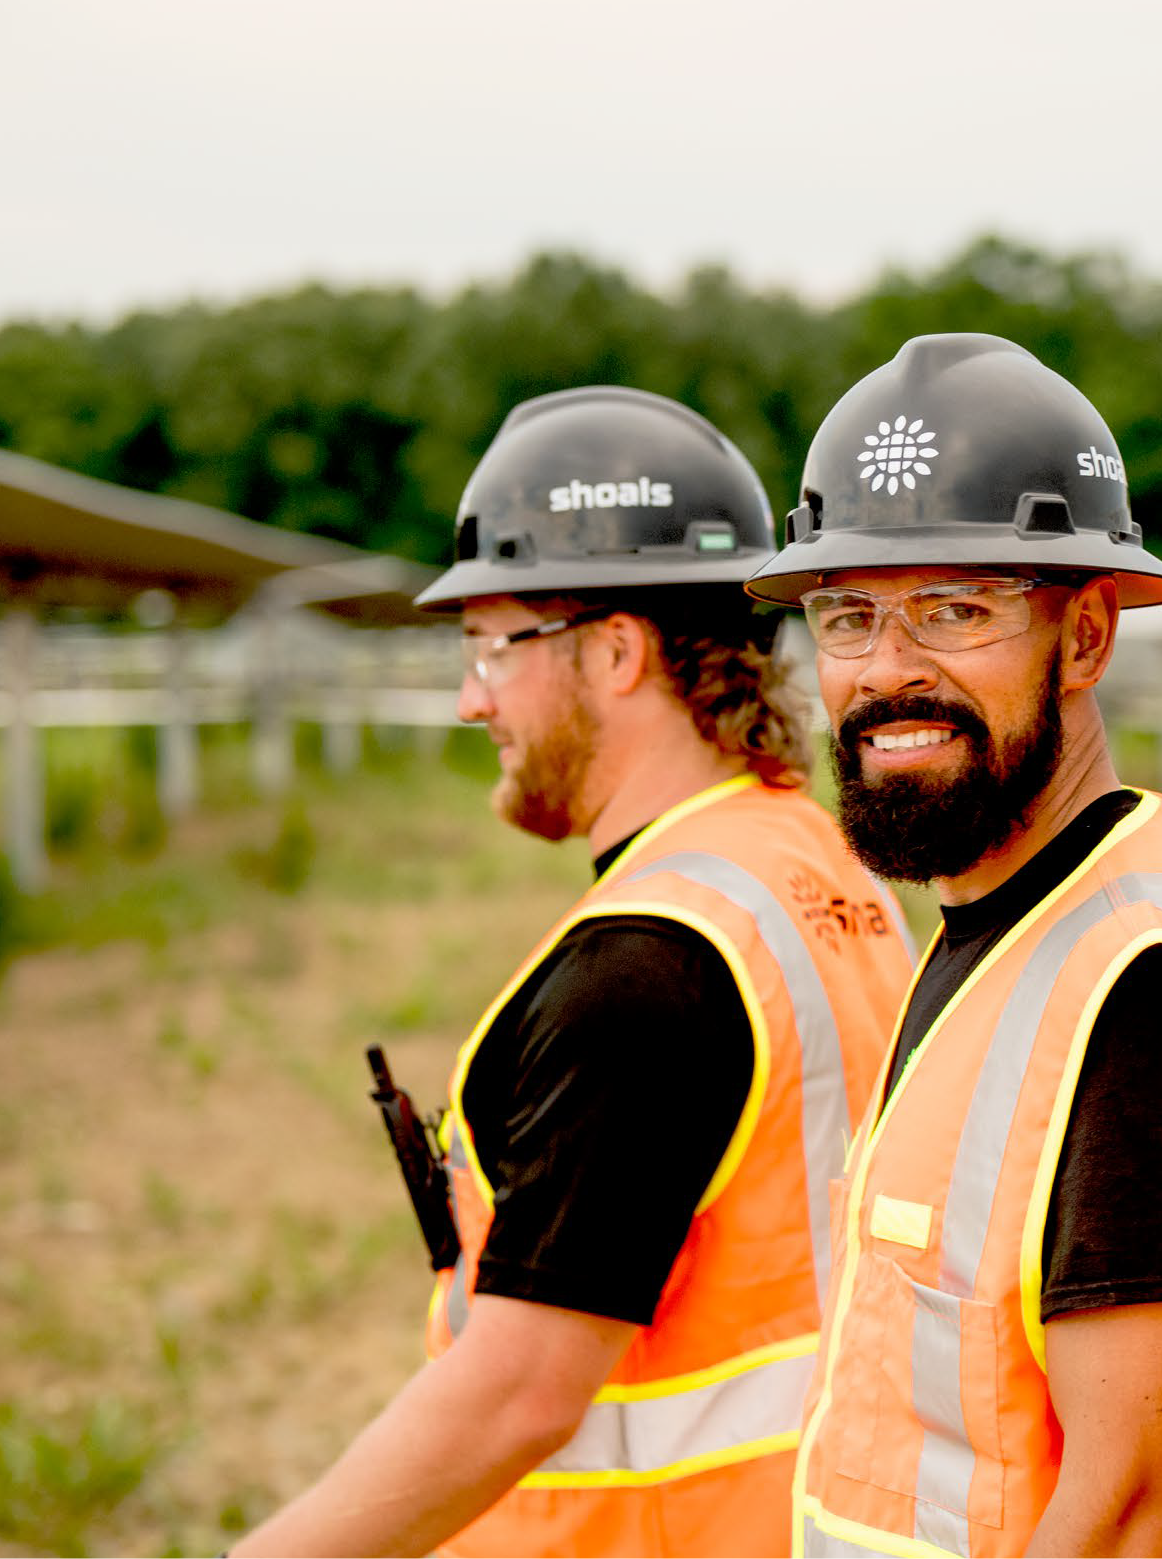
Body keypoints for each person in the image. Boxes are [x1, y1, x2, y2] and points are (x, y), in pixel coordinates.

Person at [228, 387, 916, 1559]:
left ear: (613, 648)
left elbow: (520, 1388)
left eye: (491, 643)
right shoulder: (824, 864)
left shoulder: (647, 969)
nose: (469, 697)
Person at [743, 333, 1162, 1559]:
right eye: (847, 618)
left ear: (1084, 637)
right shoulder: (1014, 919)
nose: (886, 670)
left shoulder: (1147, 982)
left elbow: (1142, 1504)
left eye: (954, 611)